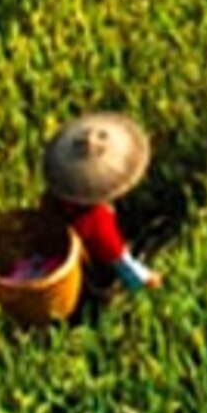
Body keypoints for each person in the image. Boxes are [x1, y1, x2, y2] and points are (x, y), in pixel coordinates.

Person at [43, 109, 162, 292]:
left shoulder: (55, 195)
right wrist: (147, 279)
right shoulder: (97, 220)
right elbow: (119, 259)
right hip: (87, 264)